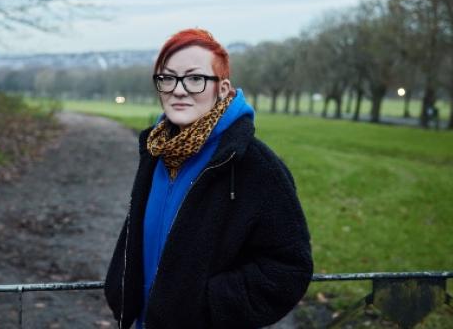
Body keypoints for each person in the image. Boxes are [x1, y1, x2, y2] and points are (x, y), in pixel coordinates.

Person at [104, 28, 313, 329]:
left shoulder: (255, 165)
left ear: (223, 89)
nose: (178, 90)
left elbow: (289, 267)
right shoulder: (156, 151)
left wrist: (208, 306)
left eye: (194, 78)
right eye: (168, 78)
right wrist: (122, 290)